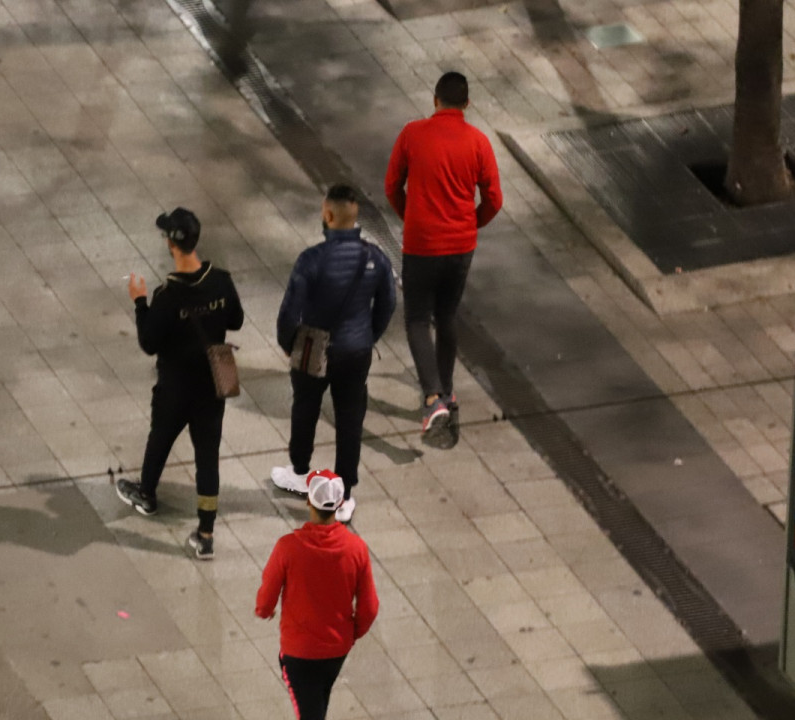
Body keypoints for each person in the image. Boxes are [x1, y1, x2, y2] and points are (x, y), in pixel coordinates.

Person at [116, 207, 244, 560]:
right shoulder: (221, 280)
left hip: (175, 386)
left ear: (172, 245)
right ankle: (205, 533)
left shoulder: (168, 296)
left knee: (161, 436)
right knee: (207, 458)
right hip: (210, 388)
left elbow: (149, 342)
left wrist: (140, 302)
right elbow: (236, 318)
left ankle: (147, 493)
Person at [385, 70, 503, 434]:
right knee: (447, 315)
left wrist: (413, 217)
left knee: (418, 319)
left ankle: (432, 397)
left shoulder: (412, 134)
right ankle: (448, 391)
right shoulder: (479, 142)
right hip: (460, 245)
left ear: (435, 100)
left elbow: (391, 186)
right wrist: (471, 223)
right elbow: (494, 200)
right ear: (467, 104)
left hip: (421, 244)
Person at [270, 184, 395, 523]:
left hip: (313, 346)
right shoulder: (376, 258)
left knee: (306, 407)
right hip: (356, 350)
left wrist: (289, 344)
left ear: (327, 214)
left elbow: (289, 312)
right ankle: (344, 494)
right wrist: (368, 336)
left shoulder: (311, 260)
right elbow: (388, 304)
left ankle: (299, 471)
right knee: (350, 418)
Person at [255, 469, 379, 720]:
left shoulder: (288, 547)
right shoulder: (357, 549)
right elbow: (370, 607)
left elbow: (266, 596)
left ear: (309, 501)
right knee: (318, 700)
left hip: (299, 652)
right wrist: (350, 634)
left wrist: (264, 611)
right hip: (337, 650)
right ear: (340, 504)